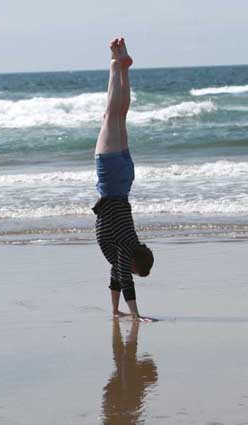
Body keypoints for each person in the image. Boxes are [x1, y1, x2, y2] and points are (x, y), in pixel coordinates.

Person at [92, 37, 156, 322]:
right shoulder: (125, 251)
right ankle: (117, 64)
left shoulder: (128, 244)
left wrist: (115, 310)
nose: (127, 271)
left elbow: (115, 278)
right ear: (133, 262)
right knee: (111, 116)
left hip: (125, 180)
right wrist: (137, 315)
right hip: (111, 180)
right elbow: (124, 280)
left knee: (118, 116)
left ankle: (120, 62)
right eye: (132, 269)